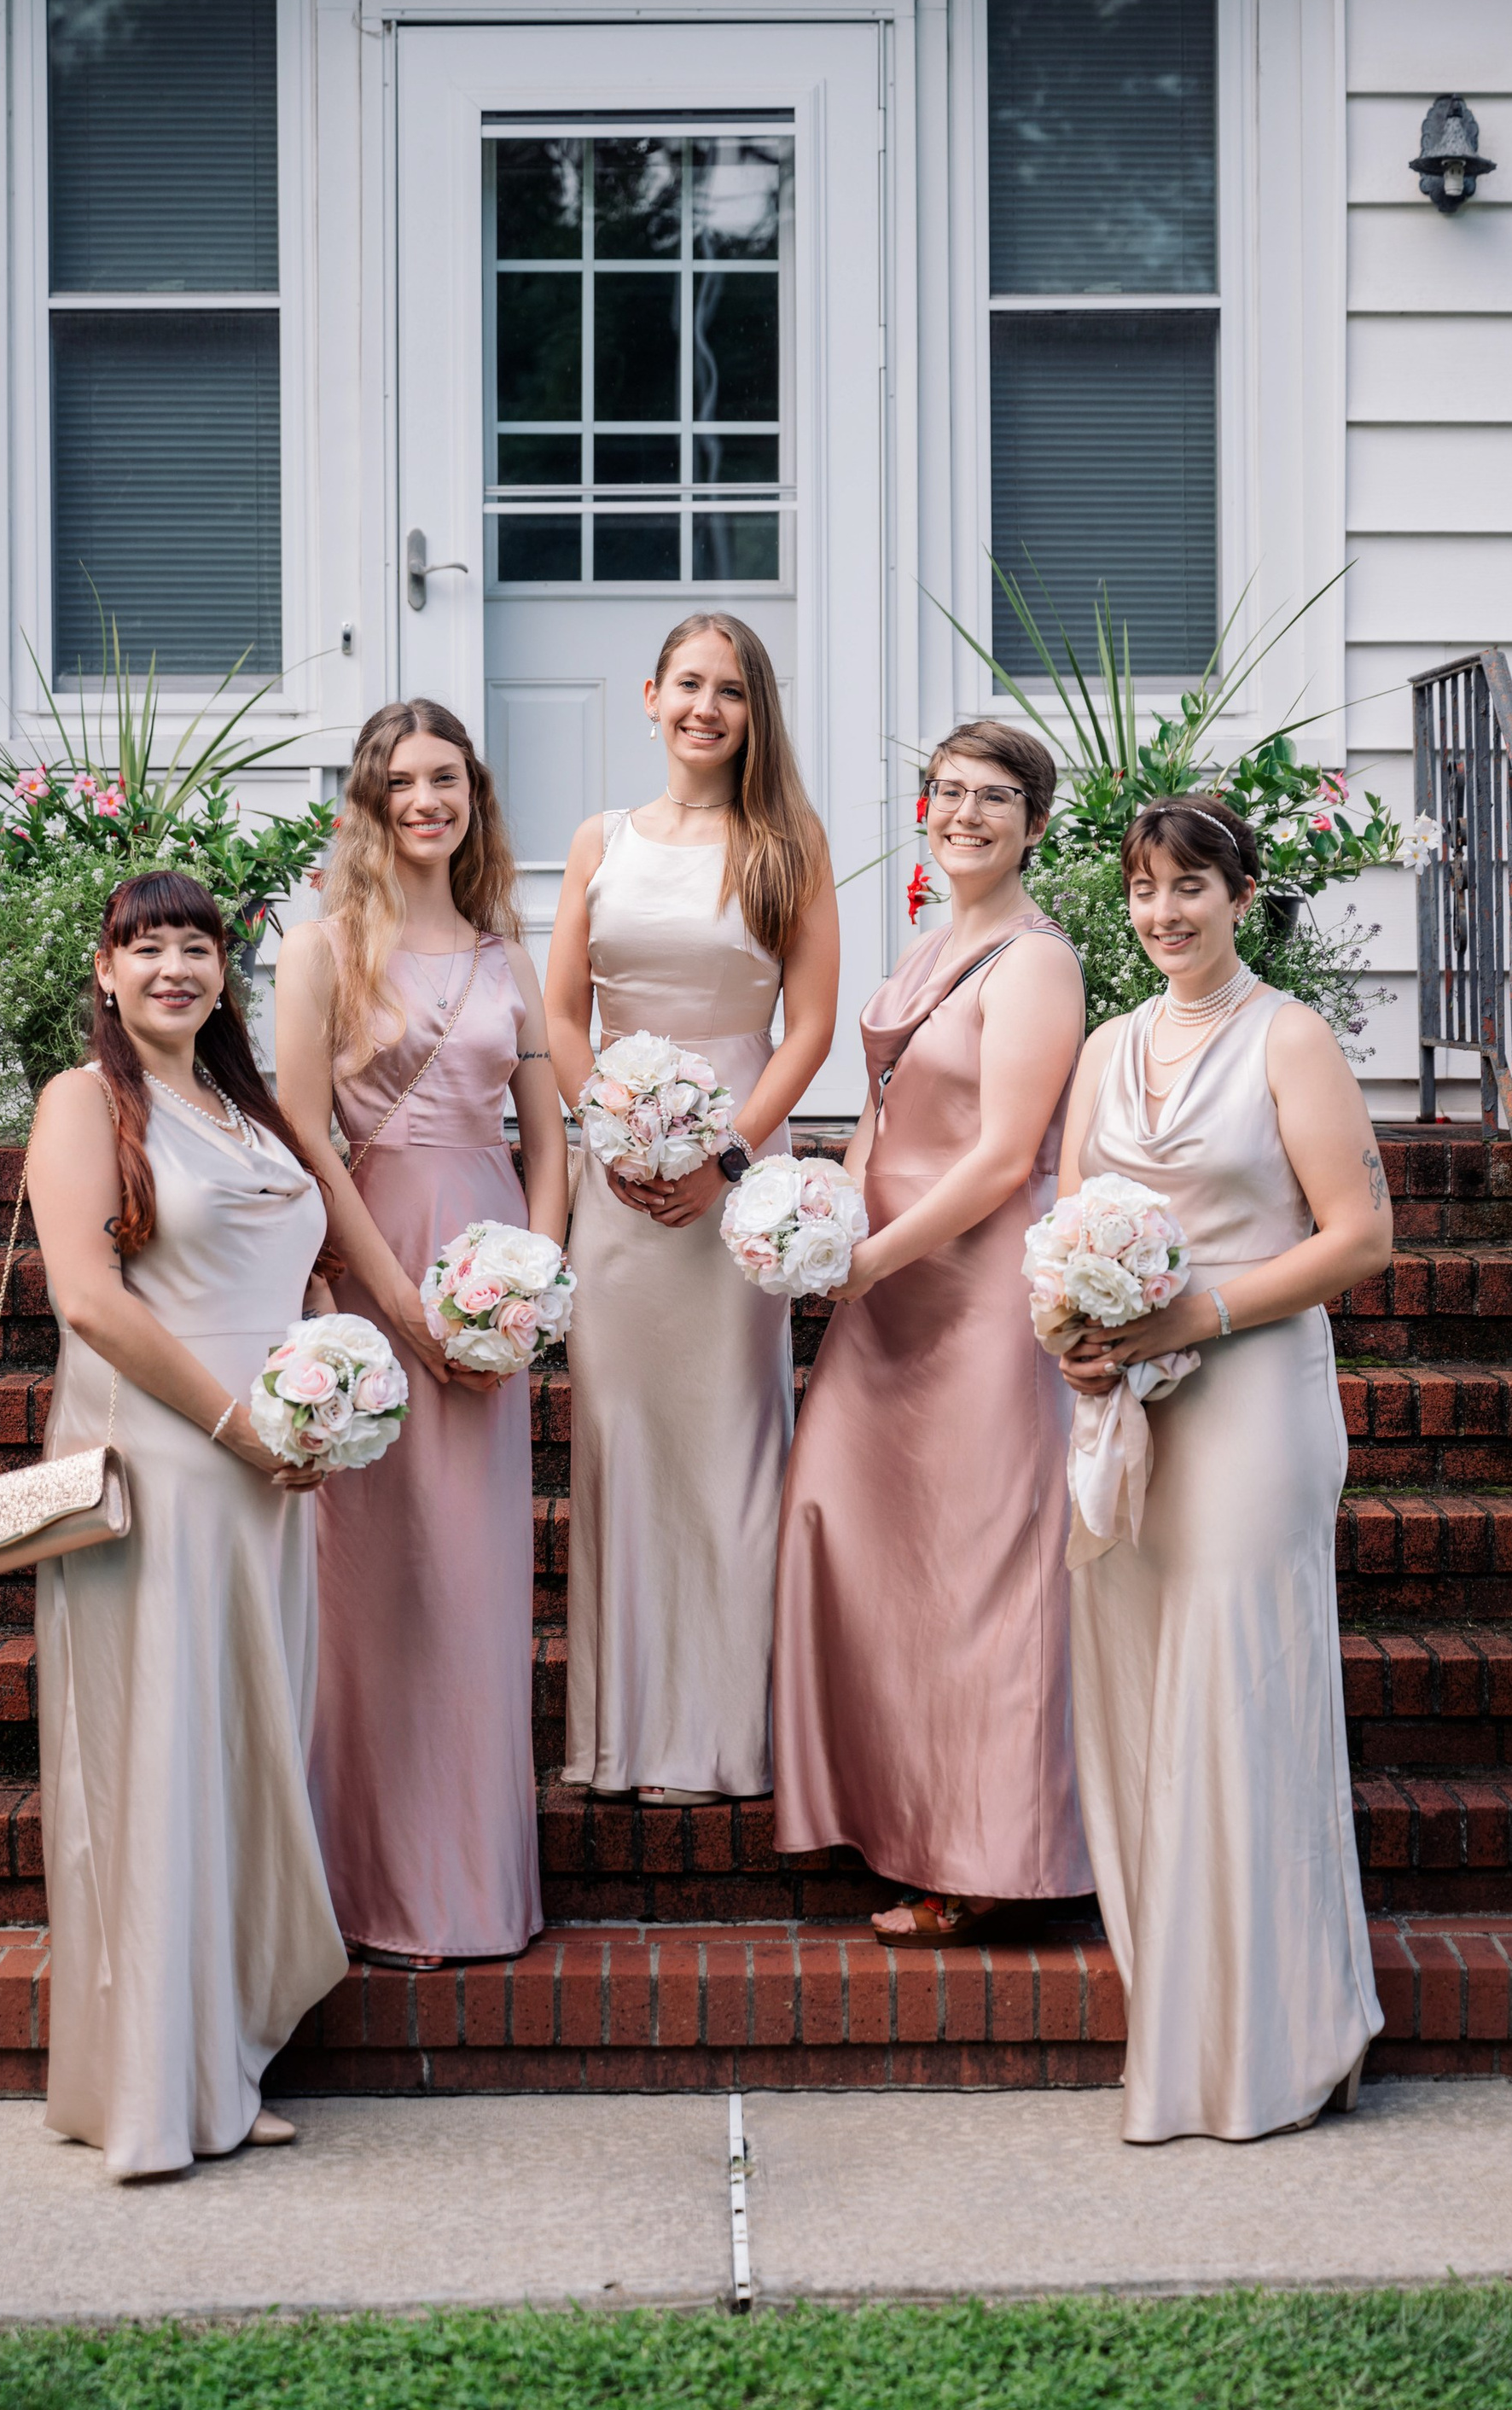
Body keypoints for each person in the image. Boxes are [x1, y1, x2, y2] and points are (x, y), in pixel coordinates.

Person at [1056, 794, 1393, 2143]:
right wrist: (1077, 1340)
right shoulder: (1104, 1046)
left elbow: (1360, 1236)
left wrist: (1197, 1313)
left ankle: (1277, 2044)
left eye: (1191, 886)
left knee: (1235, 1694)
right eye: (1145, 889)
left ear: (1242, 896)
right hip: (1135, 1409)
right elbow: (1067, 1226)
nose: (1165, 912)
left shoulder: (1288, 1036)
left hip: (1253, 1398)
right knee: (1143, 1701)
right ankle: (1183, 2030)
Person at [26, 870, 347, 2181]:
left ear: (225, 972)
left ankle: (221, 2062)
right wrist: (234, 1424)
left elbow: (298, 1266)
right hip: (164, 1466)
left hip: (268, 1478)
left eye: (196, 947)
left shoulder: (244, 1109)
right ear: (106, 973)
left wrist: (328, 1388)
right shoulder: (83, 1101)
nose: (174, 967)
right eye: (145, 947)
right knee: (159, 1764)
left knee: (240, 1762)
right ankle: (156, 2094)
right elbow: (89, 1300)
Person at [772, 717, 1090, 1936]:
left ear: (1035, 823)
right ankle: (895, 1810)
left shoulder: (1036, 963)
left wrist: (867, 1260)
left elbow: (1006, 1156)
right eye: (948, 792)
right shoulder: (927, 946)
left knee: (980, 1571)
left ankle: (990, 1861)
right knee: (845, 1525)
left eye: (995, 796)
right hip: (886, 1287)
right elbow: (883, 1114)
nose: (965, 814)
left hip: (979, 1295)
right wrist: (823, 1219)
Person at [277, 700, 568, 1967]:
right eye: (401, 782)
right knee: (379, 1580)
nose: (426, 801)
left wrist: (531, 1283)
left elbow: (549, 1140)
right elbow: (303, 1133)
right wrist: (396, 1305)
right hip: (372, 1260)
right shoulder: (321, 950)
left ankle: (475, 1888)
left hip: (488, 1271)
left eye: (446, 778)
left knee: (475, 1581)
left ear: (474, 795)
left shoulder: (508, 959)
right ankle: (373, 1888)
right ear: (370, 801)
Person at [546, 611, 839, 1804]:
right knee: (620, 1440)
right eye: (688, 684)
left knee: (728, 1437)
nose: (706, 708)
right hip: (616, 1189)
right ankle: (618, 1740)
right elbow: (562, 1012)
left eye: (731, 690)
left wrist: (725, 1154)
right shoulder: (598, 841)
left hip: (731, 1183)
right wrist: (606, 1131)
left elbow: (809, 1027)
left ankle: (723, 1739)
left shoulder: (787, 843)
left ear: (755, 711)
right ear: (651, 696)